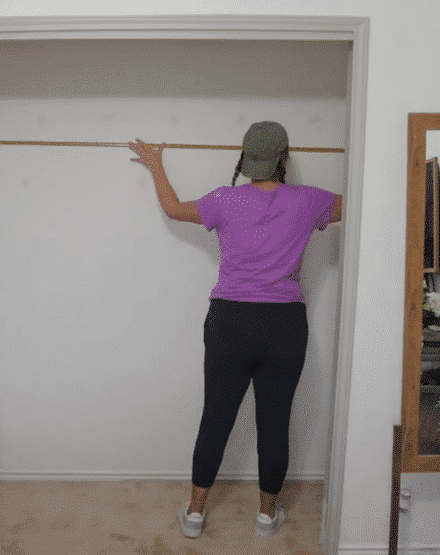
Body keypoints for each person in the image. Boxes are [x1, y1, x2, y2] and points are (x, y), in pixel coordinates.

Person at [128, 121, 342, 539]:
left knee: (215, 418)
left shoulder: (223, 199)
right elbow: (362, 203)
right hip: (284, 325)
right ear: (284, 157)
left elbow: (173, 209)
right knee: (275, 422)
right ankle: (267, 517)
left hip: (230, 322)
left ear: (244, 158)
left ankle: (194, 514)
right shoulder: (309, 200)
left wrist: (156, 165)